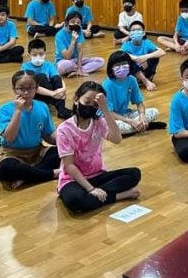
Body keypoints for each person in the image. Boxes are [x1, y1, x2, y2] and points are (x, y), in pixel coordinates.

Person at [56, 81, 141, 213]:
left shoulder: (98, 122)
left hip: (98, 175)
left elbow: (117, 139)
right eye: (87, 101)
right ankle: (118, 196)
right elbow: (69, 166)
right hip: (73, 180)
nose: (90, 107)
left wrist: (105, 109)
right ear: (76, 100)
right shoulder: (64, 129)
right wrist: (91, 189)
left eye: (95, 105)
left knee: (134, 174)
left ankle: (95, 197)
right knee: (75, 201)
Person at [0, 71, 61, 190]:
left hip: (37, 152)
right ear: (14, 89)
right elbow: (9, 137)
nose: (26, 92)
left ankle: (27, 176)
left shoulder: (42, 106)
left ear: (37, 88)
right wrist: (18, 111)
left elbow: (48, 135)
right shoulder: (4, 109)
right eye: (21, 88)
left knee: (61, 153)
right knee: (6, 168)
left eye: (30, 88)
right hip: (12, 154)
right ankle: (51, 174)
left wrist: (64, 141)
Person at [102, 52, 164, 135]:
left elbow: (139, 103)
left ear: (129, 65)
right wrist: (131, 121)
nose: (121, 67)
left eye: (124, 64)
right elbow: (109, 112)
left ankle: (138, 126)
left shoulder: (131, 80)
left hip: (126, 114)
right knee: (115, 126)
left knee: (154, 111)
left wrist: (142, 116)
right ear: (111, 68)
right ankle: (141, 126)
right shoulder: (107, 85)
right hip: (109, 117)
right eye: (117, 65)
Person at [22, 38, 71, 118]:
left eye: (41, 54)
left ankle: (61, 110)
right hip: (35, 95)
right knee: (40, 76)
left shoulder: (48, 64)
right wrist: (53, 94)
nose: (38, 57)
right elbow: (32, 87)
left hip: (50, 94)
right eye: (34, 55)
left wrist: (63, 89)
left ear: (45, 54)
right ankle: (56, 102)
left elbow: (59, 78)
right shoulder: (26, 67)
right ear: (29, 55)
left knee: (56, 78)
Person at [55, 11, 105, 76]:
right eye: (72, 22)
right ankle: (76, 69)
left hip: (76, 60)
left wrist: (79, 68)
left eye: (78, 23)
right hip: (63, 61)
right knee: (64, 65)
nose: (75, 24)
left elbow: (80, 51)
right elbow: (67, 57)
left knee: (101, 61)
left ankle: (76, 71)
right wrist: (73, 41)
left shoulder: (78, 30)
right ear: (67, 22)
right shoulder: (59, 35)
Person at [121, 21, 164, 90]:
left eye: (138, 30)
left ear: (143, 33)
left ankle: (144, 77)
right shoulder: (127, 44)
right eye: (133, 30)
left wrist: (146, 57)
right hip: (133, 72)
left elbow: (162, 52)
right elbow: (121, 54)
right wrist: (136, 58)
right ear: (130, 34)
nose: (136, 32)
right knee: (127, 59)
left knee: (155, 54)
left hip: (146, 69)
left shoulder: (146, 42)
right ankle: (145, 81)